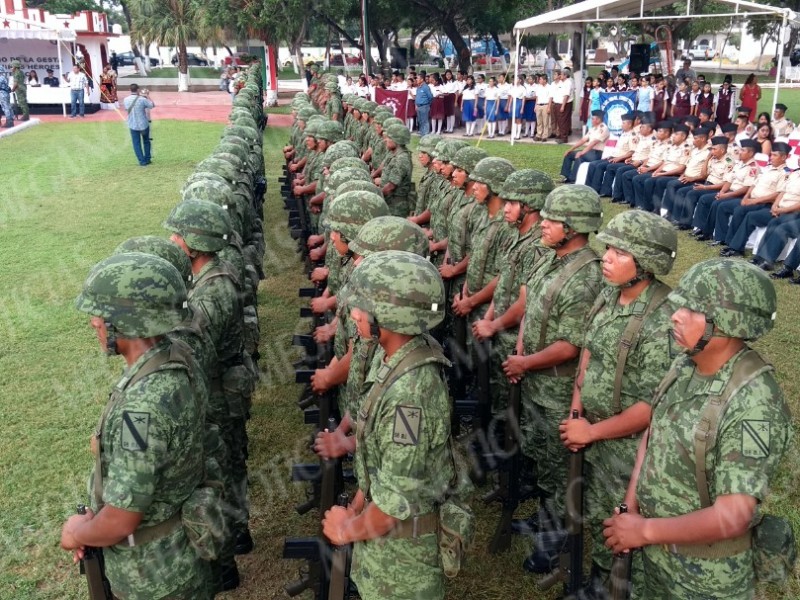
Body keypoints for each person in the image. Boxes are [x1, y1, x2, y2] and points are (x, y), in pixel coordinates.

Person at [603, 258, 792, 600]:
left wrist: (644, 530)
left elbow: (732, 516)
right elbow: (653, 431)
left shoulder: (755, 405)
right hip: (654, 551)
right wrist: (631, 508)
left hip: (704, 578)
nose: (676, 315)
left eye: (692, 309)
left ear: (728, 323)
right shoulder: (685, 362)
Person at [59, 252, 212, 600]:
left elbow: (120, 520)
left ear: (127, 323)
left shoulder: (140, 410)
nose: (94, 323)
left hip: (152, 576)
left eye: (100, 314)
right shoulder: (178, 355)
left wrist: (78, 533)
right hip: (180, 556)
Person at [322, 250, 461, 600]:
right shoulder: (397, 355)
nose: (354, 315)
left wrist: (346, 530)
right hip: (387, 550)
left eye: (361, 308)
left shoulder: (409, 395)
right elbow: (381, 466)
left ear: (390, 315)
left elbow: (393, 504)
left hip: (403, 565)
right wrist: (356, 506)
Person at [560, 210, 677, 598]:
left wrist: (591, 431)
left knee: (620, 529)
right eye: (608, 247)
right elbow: (589, 355)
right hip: (592, 432)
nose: (606, 257)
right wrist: (577, 411)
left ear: (647, 264)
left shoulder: (661, 320)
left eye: (620, 252)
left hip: (627, 449)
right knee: (593, 512)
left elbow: (650, 408)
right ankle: (595, 579)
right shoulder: (610, 295)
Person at [502, 185, 603, 574]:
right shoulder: (550, 258)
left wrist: (525, 362)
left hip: (558, 386)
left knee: (563, 469)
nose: (542, 224)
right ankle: (547, 518)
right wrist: (522, 354)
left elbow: (570, 345)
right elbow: (530, 308)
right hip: (535, 380)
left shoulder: (585, 275)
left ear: (574, 226)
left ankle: (559, 536)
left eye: (552, 220)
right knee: (544, 458)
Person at [559, 110, 610, 183]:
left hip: (598, 153)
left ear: (598, 120)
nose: (591, 120)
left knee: (580, 156)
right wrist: (570, 149)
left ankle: (573, 179)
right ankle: (567, 176)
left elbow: (594, 143)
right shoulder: (593, 128)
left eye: (593, 119)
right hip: (590, 151)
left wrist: (582, 152)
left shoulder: (603, 128)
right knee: (569, 154)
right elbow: (583, 140)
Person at [124, 83, 154, 166]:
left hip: (133, 124)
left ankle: (142, 161)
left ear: (130, 90)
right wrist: (147, 96)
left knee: (136, 143)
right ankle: (147, 158)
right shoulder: (142, 99)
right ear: (138, 90)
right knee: (146, 141)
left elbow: (126, 109)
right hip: (143, 124)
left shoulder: (126, 100)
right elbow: (152, 105)